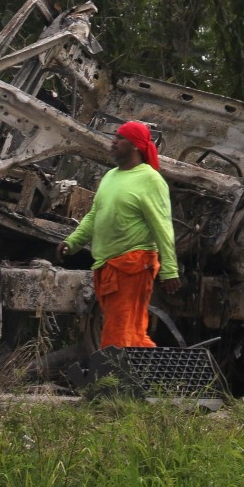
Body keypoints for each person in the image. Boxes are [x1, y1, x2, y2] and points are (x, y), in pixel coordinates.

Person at [57, 121, 180, 349]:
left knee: (118, 334)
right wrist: (73, 241)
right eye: (114, 136)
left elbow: (163, 227)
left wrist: (170, 270)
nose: (113, 141)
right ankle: (146, 380)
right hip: (107, 266)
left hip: (133, 265)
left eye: (120, 138)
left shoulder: (150, 180)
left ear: (135, 146)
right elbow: (95, 215)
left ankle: (112, 383)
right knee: (130, 333)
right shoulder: (111, 175)